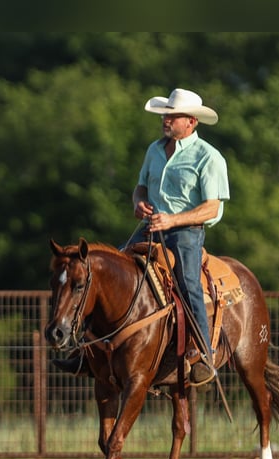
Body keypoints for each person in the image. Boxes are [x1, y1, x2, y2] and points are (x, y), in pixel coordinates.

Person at [54, 88, 229, 386]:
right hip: (150, 228)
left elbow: (213, 207)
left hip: (186, 234)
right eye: (165, 114)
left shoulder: (208, 157)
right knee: (105, 274)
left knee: (187, 282)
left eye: (172, 116)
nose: (166, 119)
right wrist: (138, 202)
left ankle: (203, 353)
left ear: (191, 122)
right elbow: (140, 188)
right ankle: (87, 352)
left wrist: (173, 219)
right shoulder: (154, 150)